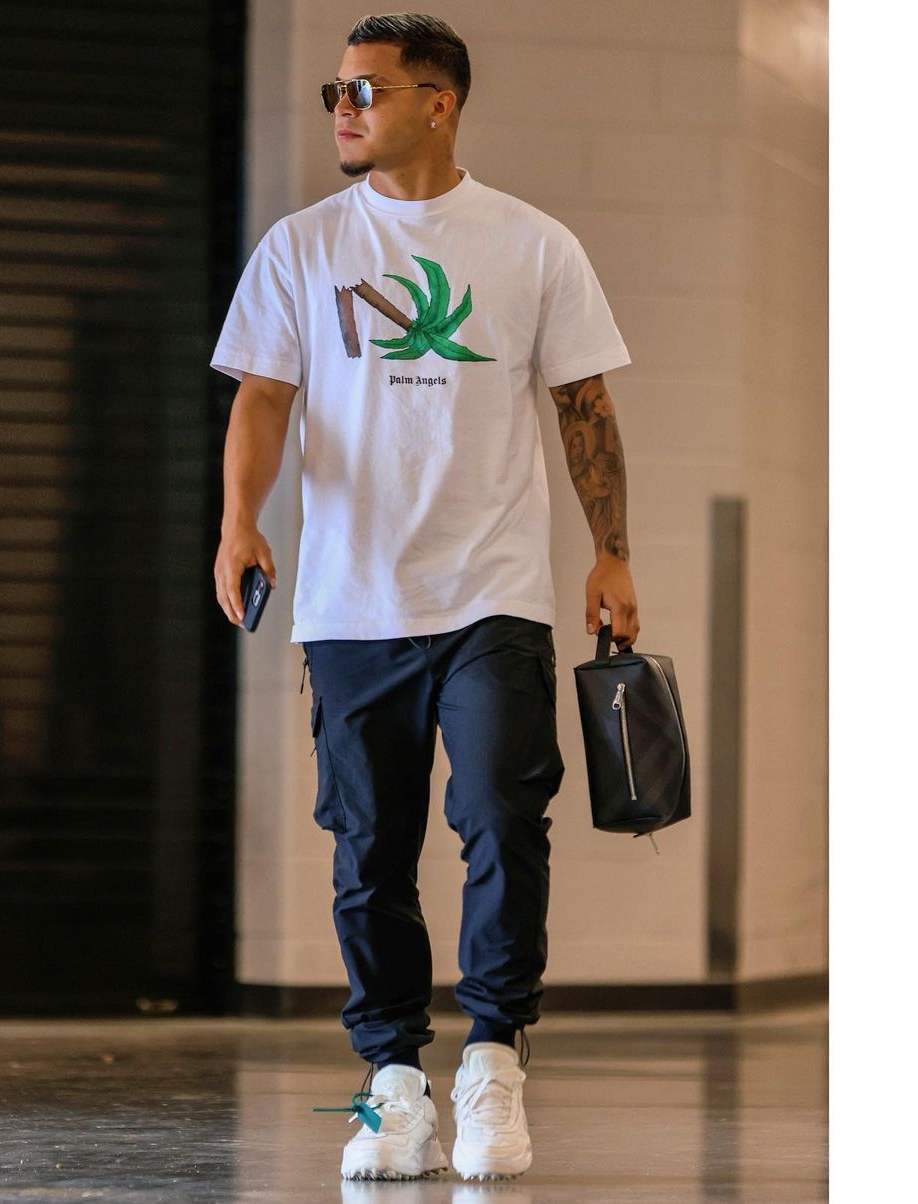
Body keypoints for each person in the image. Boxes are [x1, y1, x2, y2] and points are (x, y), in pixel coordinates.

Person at [210, 11, 640, 1183]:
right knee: (370, 849)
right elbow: (262, 396)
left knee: (502, 816)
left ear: (438, 103)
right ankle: (394, 1081)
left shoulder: (533, 244)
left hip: (494, 592)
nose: (342, 109)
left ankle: (493, 1059)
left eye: (366, 90)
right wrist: (240, 520)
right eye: (335, 92)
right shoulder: (302, 246)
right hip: (351, 604)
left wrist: (612, 551)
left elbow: (584, 405)